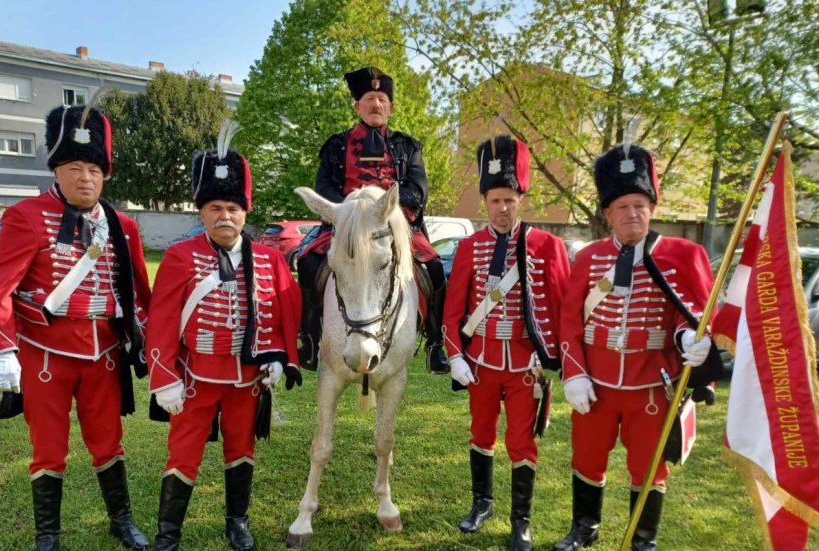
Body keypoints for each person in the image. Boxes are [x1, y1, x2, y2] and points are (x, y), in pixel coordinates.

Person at [0, 102, 151, 550]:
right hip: (44, 354)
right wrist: (3, 349)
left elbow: (140, 293)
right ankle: (49, 535)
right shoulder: (25, 217)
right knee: (48, 450)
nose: (86, 178)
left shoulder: (123, 226)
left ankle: (121, 522)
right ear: (57, 171)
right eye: (75, 167)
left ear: (106, 174)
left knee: (108, 444)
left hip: (102, 354)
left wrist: (148, 339)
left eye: (94, 169)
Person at [553, 144, 719, 551]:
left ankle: (643, 538)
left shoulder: (683, 254)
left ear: (652, 206)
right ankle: (584, 528)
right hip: (597, 384)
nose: (633, 213)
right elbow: (570, 321)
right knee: (587, 459)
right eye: (623, 206)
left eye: (640, 204)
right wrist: (573, 374)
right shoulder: (589, 258)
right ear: (607, 213)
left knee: (649, 465)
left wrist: (691, 338)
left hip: (652, 386)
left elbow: (696, 311)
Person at [146, 120, 302, 551]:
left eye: (233, 209)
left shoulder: (269, 260)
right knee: (183, 454)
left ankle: (237, 522)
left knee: (241, 450)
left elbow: (285, 315)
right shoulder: (180, 256)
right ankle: (168, 534)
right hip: (195, 379)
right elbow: (160, 321)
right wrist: (164, 378)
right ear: (201, 213)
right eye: (215, 208)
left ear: (244, 212)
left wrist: (280, 358)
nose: (225, 216)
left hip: (246, 382)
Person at [443, 135, 571, 551]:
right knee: (481, 434)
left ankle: (522, 520)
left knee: (521, 441)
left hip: (523, 366)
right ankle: (481, 504)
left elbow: (561, 306)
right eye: (495, 200)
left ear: (520, 198)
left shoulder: (546, 246)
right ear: (485, 202)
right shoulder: (469, 247)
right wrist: (455, 356)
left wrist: (545, 352)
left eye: (509, 199)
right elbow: (452, 312)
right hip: (480, 363)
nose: (502, 208)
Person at [297, 66, 450, 374]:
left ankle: (436, 344)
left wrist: (382, 211)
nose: (376, 104)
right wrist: (353, 212)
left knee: (435, 270)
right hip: (346, 226)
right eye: (369, 98)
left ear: (390, 107)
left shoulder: (408, 147)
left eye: (382, 99)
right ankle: (311, 338)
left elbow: (417, 192)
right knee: (307, 261)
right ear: (357, 106)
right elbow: (325, 187)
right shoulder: (335, 146)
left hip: (396, 227)